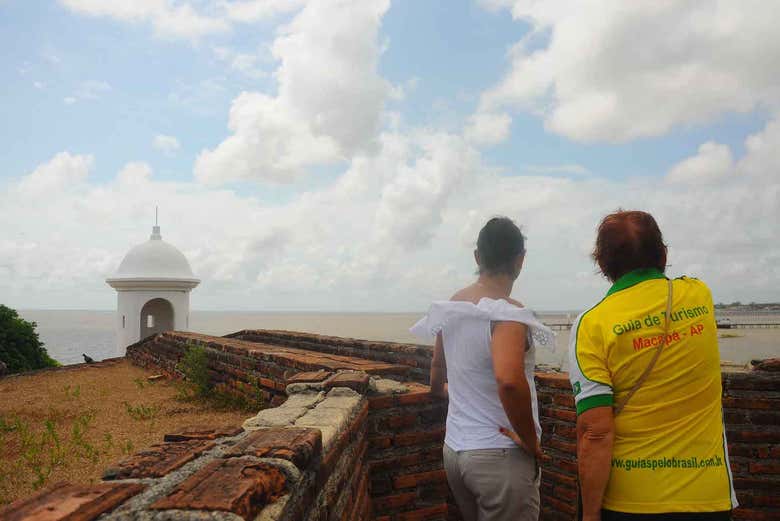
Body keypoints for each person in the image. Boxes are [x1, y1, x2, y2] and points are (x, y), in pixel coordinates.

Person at [570, 210, 737, 521]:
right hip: (707, 498)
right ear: (663, 254)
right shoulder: (699, 295)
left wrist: (590, 514)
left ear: (602, 264)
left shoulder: (592, 325)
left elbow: (596, 433)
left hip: (630, 503)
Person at [410, 216, 554, 521]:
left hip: (456, 451)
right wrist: (531, 442)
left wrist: (442, 390)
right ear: (520, 260)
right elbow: (509, 382)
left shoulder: (453, 305)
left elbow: (437, 367)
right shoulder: (508, 314)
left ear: (477, 257)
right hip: (499, 456)